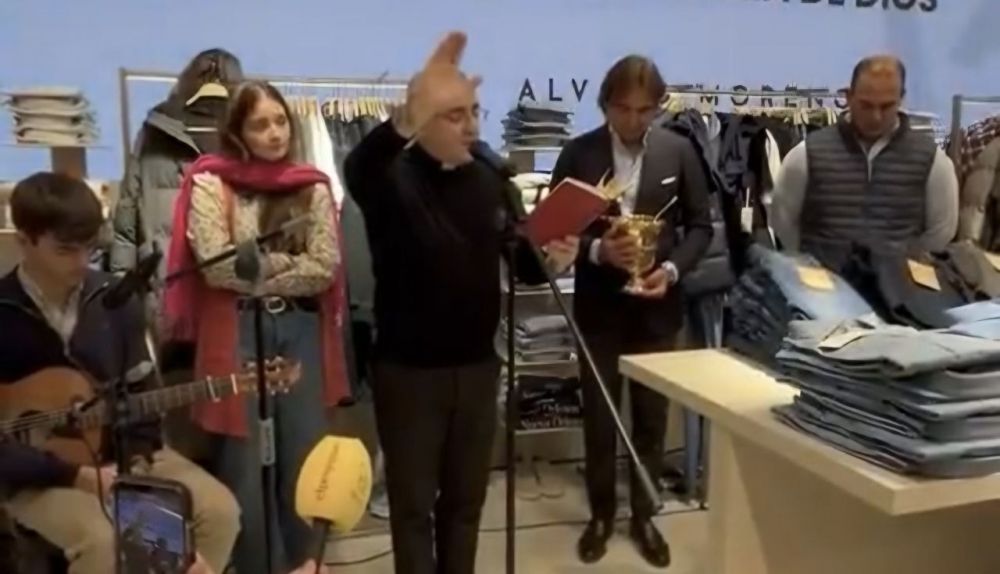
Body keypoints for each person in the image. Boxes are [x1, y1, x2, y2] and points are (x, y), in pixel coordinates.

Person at [344, 32, 579, 574]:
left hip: (477, 368)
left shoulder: (490, 179)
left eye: (474, 112)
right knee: (412, 509)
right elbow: (358, 169)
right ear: (422, 121)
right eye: (454, 115)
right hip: (409, 375)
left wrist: (554, 258)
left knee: (466, 505)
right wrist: (405, 117)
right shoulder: (390, 179)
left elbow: (521, 264)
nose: (471, 126)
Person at [0, 172, 240, 574]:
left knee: (218, 511)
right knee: (102, 542)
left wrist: (137, 472)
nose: (82, 262)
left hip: (123, 459)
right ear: (24, 241)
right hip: (34, 475)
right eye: (65, 250)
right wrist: (77, 476)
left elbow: (142, 397)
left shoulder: (115, 298)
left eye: (90, 248)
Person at [164, 80, 349, 574]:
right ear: (238, 132)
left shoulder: (311, 185)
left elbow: (324, 268)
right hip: (237, 331)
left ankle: (305, 565)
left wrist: (260, 270)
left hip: (299, 330)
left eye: (280, 121)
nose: (274, 133)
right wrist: (287, 263)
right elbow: (217, 267)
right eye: (260, 124)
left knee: (305, 459)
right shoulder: (210, 182)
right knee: (245, 463)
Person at [550, 55, 713, 568]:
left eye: (645, 110)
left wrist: (672, 270)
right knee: (600, 419)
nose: (634, 120)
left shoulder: (679, 152)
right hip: (598, 308)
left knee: (650, 418)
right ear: (605, 105)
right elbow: (553, 231)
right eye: (624, 109)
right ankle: (601, 514)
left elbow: (701, 227)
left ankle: (644, 515)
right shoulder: (578, 154)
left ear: (658, 107)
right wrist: (599, 251)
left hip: (657, 309)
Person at [771, 55, 959, 271]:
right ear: (849, 97)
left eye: (887, 106)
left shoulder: (933, 160)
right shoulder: (806, 154)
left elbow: (941, 230)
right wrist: (812, 264)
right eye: (866, 105)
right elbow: (783, 220)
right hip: (823, 285)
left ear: (901, 99)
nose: (876, 117)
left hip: (899, 287)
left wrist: (906, 268)